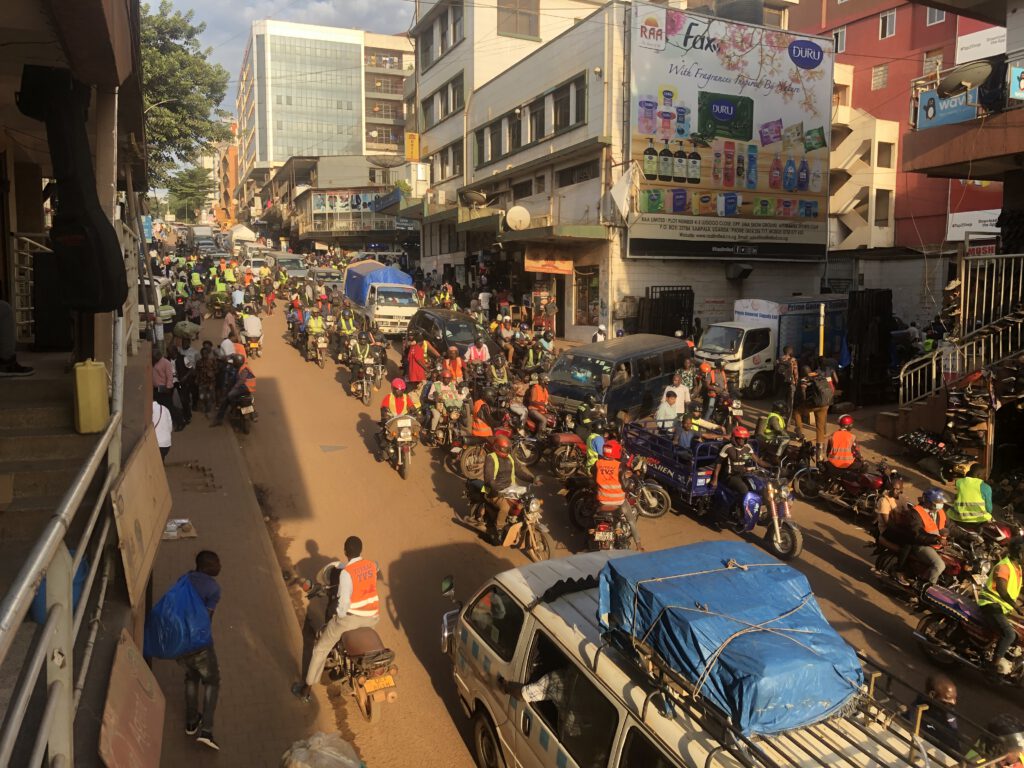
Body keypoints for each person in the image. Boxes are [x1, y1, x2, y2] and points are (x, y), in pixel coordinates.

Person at [292, 537, 381, 704]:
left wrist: (338, 617)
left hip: (350, 619)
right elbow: (377, 567)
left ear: (345, 552)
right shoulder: (371, 565)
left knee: (320, 649)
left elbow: (343, 601)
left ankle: (306, 689)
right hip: (372, 618)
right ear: (361, 550)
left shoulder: (347, 573)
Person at [178, 550, 221, 750]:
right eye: (215, 564)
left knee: (191, 677)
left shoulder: (184, 579)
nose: (219, 567)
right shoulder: (213, 588)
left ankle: (191, 721)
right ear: (205, 567)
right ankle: (207, 730)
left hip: (181, 641)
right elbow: (206, 618)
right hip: (200, 642)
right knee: (212, 681)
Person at [978, 537, 1024, 673]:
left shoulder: (1018, 568)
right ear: (1019, 552)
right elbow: (1001, 589)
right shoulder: (1004, 566)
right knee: (1009, 634)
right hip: (990, 604)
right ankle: (992, 667)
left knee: (1018, 632)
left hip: (1002, 607)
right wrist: (1016, 606)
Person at [891, 488, 950, 586]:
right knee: (939, 565)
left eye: (940, 502)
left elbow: (951, 527)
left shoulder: (939, 512)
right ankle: (927, 589)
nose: (940, 504)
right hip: (922, 544)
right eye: (937, 502)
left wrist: (969, 536)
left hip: (938, 545)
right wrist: (936, 539)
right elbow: (917, 534)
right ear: (928, 502)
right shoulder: (915, 513)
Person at [482, 435, 534, 544]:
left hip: (509, 490)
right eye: (504, 449)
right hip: (494, 492)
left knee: (525, 502)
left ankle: (515, 523)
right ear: (497, 447)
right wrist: (498, 490)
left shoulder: (510, 457)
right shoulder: (491, 458)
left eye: (508, 449)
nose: (507, 451)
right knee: (505, 507)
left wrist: (532, 479)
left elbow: (519, 471)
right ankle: (499, 530)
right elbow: (489, 479)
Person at [711, 426, 767, 524]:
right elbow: (718, 463)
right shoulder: (728, 448)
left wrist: (772, 466)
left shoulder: (747, 447)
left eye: (743, 438)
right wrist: (715, 479)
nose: (742, 440)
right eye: (739, 438)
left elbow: (758, 460)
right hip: (730, 476)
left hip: (743, 474)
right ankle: (741, 515)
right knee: (744, 490)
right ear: (734, 438)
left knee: (758, 486)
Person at [908, 675, 960, 754]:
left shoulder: (947, 711)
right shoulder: (918, 711)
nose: (953, 703)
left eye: (955, 698)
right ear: (932, 695)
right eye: (947, 699)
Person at [210, 355, 255, 427]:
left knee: (227, 398)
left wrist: (233, 388)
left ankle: (219, 419)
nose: (233, 363)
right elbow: (233, 380)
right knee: (248, 400)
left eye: (234, 362)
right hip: (248, 389)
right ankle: (252, 413)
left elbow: (241, 381)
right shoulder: (240, 368)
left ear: (237, 362)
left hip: (243, 388)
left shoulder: (243, 369)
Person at [152, 347, 182, 431]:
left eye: (154, 357)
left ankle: (180, 421)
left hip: (163, 387)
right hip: (155, 388)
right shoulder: (153, 362)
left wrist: (168, 388)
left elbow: (170, 376)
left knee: (168, 407)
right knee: (158, 406)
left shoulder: (166, 363)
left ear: (158, 355)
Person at [429, 370, 464, 436]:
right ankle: (432, 432)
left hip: (450, 407)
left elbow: (456, 395)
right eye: (446, 378)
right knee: (437, 416)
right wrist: (435, 398)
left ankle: (460, 431)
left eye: (449, 378)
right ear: (442, 378)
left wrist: (464, 396)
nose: (448, 380)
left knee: (460, 414)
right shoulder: (435, 384)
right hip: (437, 406)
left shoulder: (452, 385)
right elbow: (429, 396)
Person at [775, 346, 799, 427]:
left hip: (782, 383)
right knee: (790, 403)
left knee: (781, 401)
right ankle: (788, 421)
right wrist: (796, 382)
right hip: (790, 383)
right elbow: (795, 372)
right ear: (790, 351)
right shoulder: (793, 360)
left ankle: (779, 418)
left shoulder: (779, 359)